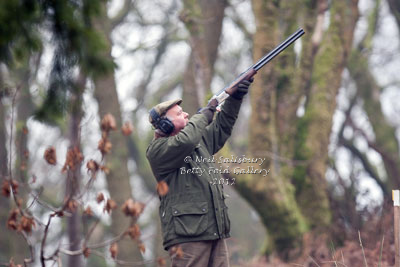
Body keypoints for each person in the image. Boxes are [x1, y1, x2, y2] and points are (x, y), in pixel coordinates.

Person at [146, 79, 252, 267]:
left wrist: (235, 98)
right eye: (179, 113)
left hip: (214, 231)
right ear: (165, 125)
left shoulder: (197, 141)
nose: (186, 113)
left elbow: (222, 127)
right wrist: (205, 114)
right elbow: (185, 142)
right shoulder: (159, 150)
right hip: (188, 236)